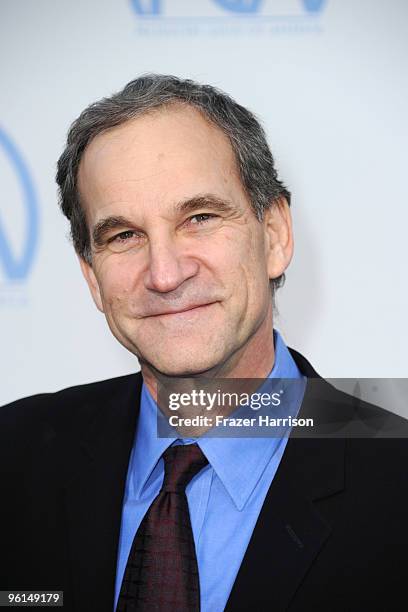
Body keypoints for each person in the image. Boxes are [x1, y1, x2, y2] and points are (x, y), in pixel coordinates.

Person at [1, 74, 407, 612]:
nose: (165, 274)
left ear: (275, 236)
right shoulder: (14, 457)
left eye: (200, 217)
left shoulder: (395, 480)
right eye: (124, 236)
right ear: (92, 276)